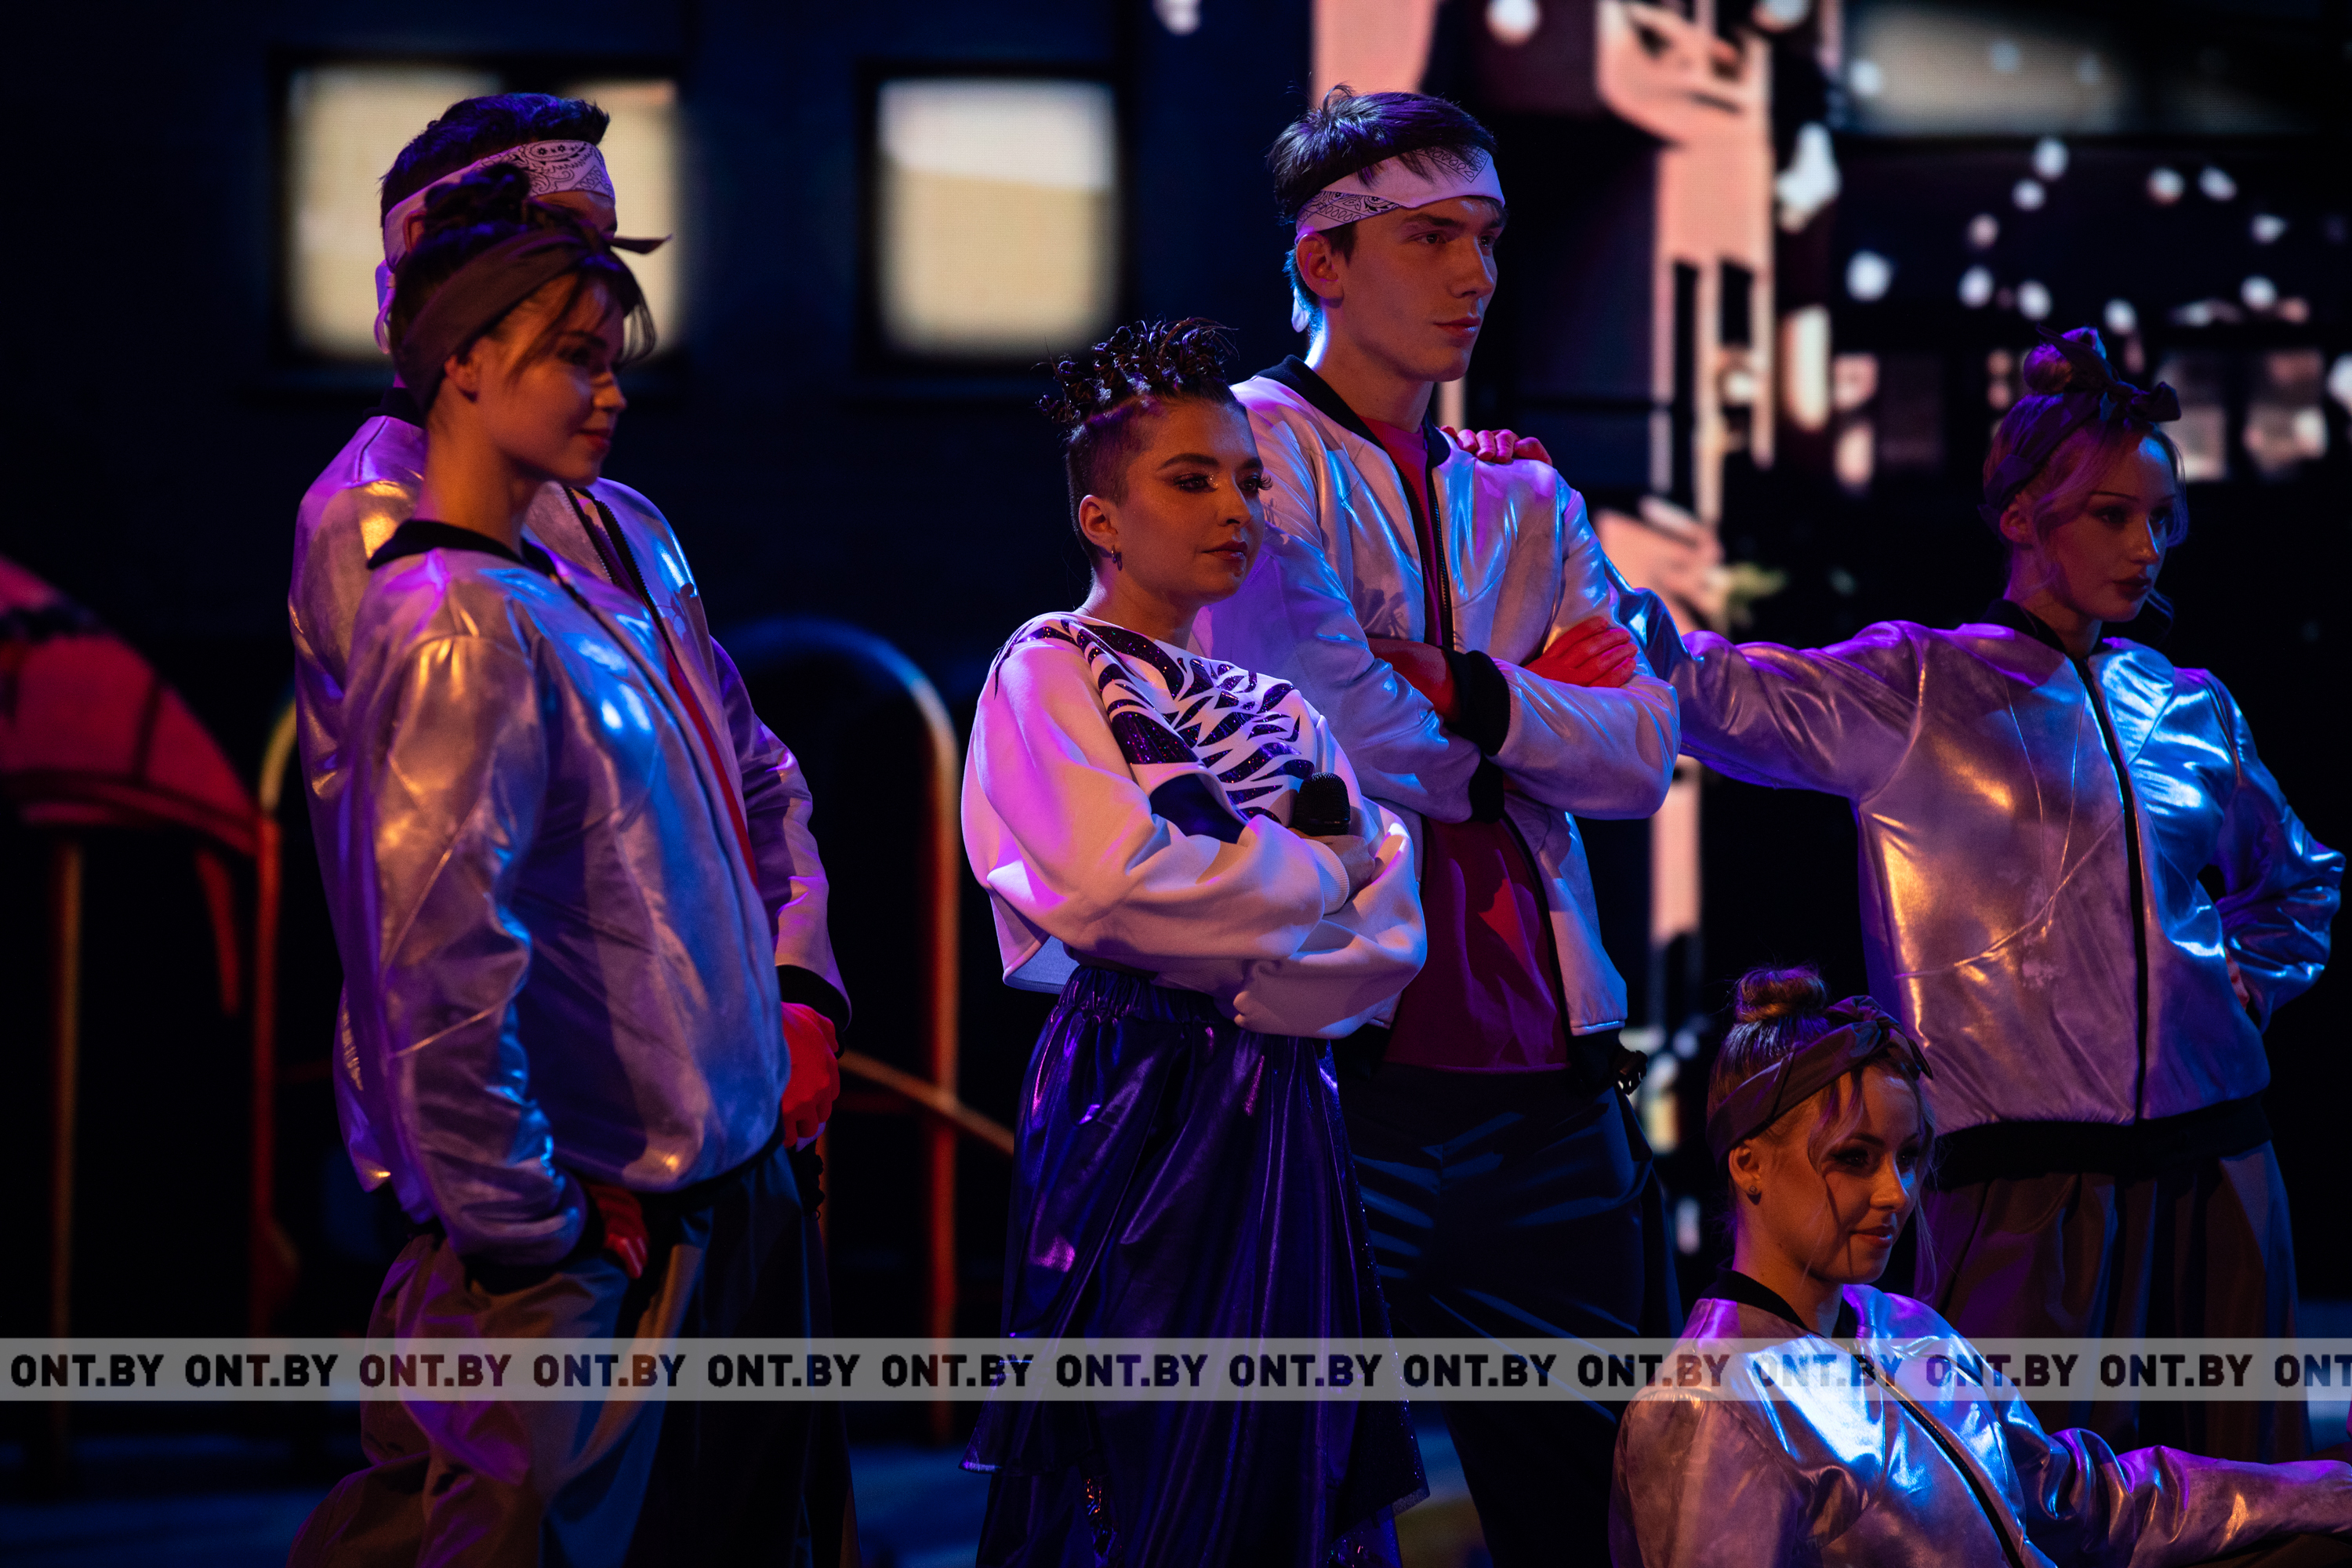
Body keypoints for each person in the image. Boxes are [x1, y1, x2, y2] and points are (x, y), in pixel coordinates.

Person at [1625, 327, 2340, 1462]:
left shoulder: (2188, 703)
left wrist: (2242, 987)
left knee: (2247, 1488)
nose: (2146, 547)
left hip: (2220, 1170)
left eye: (2162, 519)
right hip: (2015, 1183)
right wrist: (1540, 533)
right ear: (2020, 517)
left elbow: (2298, 876)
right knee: (2012, 1500)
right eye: (2111, 514)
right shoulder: (1919, 686)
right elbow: (1706, 689)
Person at [286, 168, 841, 1567]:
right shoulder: (449, 609)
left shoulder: (582, 562)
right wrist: (522, 1217)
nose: (610, 389)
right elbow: (438, 964)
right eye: (574, 353)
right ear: (464, 357)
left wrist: (786, 1006)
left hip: (707, 1158)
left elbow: (740, 784)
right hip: (604, 1194)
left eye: (610, 352)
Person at [1195, 86, 1682, 1563]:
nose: (1476, 272)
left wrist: (1468, 687)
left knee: (1599, 1515)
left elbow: (1641, 754)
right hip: (1342, 1081)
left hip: (1549, 1087)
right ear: (1324, 259)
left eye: (1488, 236)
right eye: (1429, 237)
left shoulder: (1521, 489)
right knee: (1290, 1508)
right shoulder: (1244, 457)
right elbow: (1322, 725)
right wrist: (1523, 726)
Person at [289, 93, 849, 1189]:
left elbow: (753, 776)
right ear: (444, 274)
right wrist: (529, 1184)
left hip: (716, 1112)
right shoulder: (378, 520)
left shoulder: (626, 519)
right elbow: (449, 907)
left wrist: (796, 991)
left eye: (605, 245)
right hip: (570, 1144)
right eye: (560, 239)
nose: (595, 278)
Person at [961, 318, 1429, 1566]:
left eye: (1246, 480)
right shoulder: (1053, 668)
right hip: (1137, 1087)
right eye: (1190, 479)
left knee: (1284, 1428)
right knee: (1145, 1426)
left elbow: (1389, 921)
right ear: (1102, 518)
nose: (1234, 508)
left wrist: (1259, 949)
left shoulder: (1280, 710)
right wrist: (1302, 883)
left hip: (1283, 1089)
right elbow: (1112, 888)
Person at [1609, 965, 2352, 1567]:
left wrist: (2325, 1490)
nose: (1896, 1194)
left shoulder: (1907, 1328)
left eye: (1908, 1157)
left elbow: (2085, 1503)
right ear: (1749, 1165)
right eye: (1855, 1159)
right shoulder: (1709, 1407)